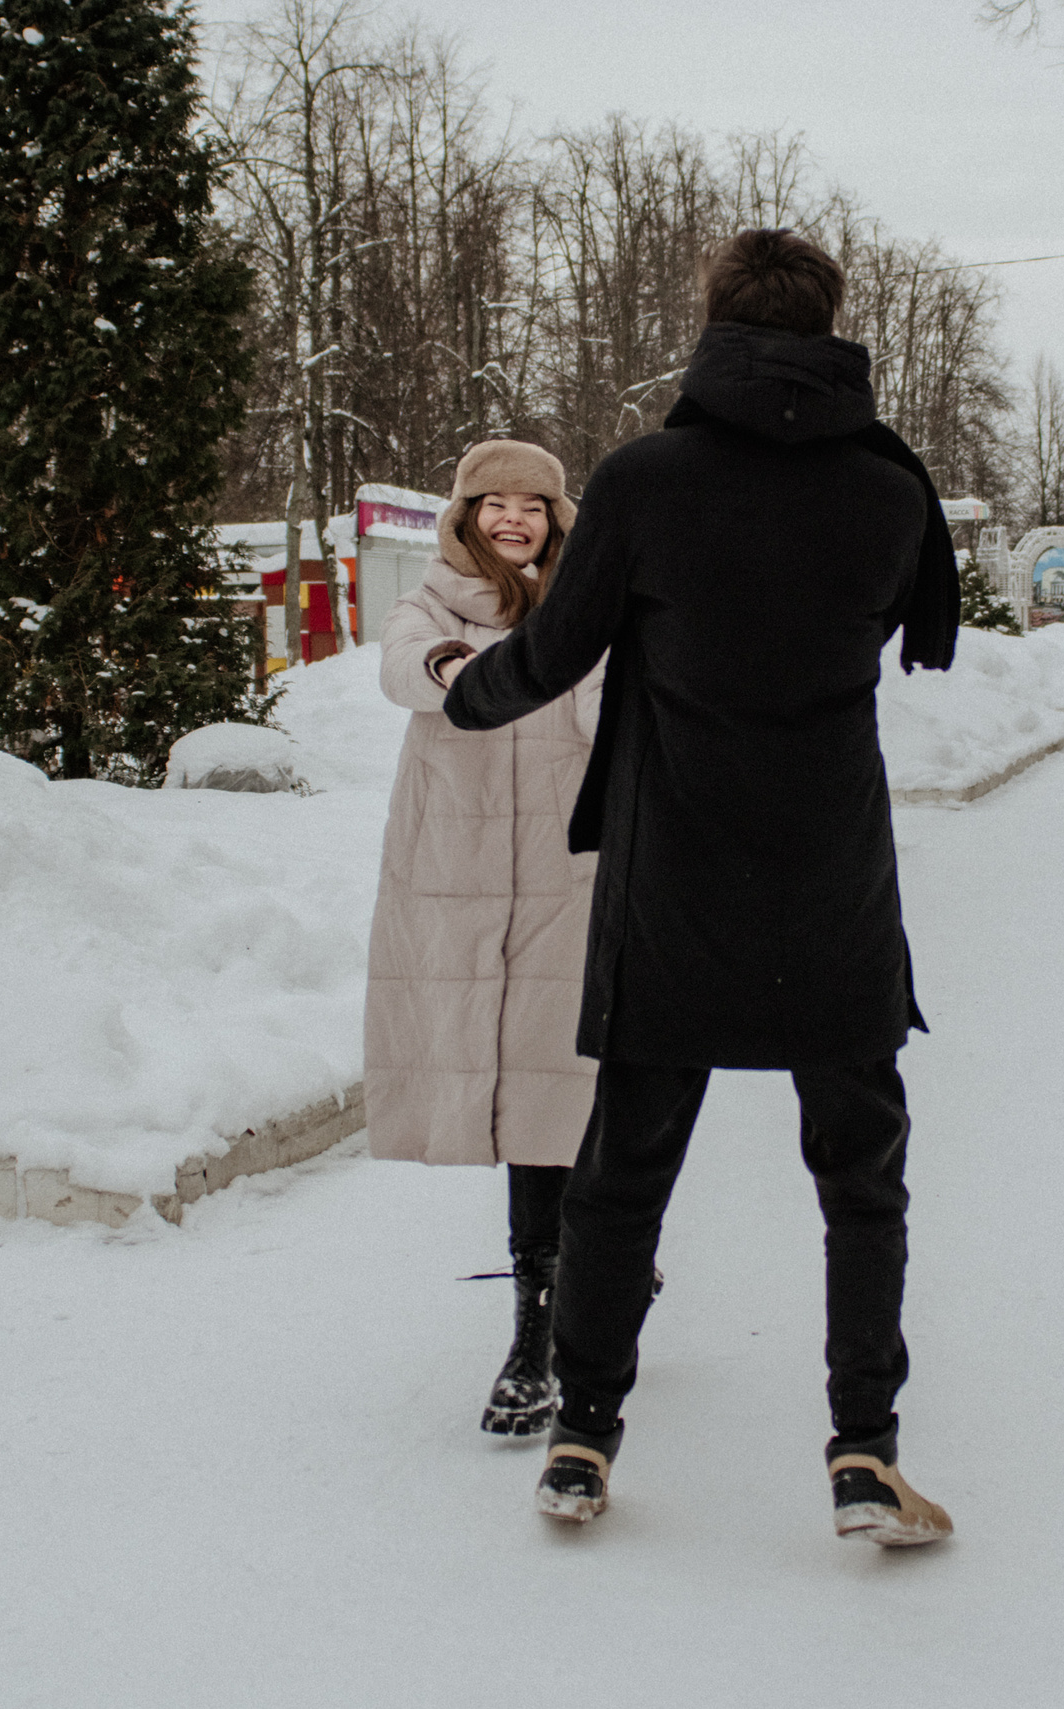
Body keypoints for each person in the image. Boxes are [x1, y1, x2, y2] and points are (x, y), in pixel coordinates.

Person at [439, 228, 960, 1548]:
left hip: (674, 876)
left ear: (715, 323)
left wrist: (464, 686)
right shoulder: (892, 492)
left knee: (622, 1174)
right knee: (863, 1178)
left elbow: (554, 651)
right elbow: (906, 629)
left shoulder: (646, 479)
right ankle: (863, 1450)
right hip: (833, 875)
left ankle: (582, 1437)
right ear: (833, 324)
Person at [363, 439, 604, 1438]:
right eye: (495, 504)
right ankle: (553, 1299)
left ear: (556, 518)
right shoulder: (433, 599)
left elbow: (608, 698)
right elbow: (405, 668)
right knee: (509, 1077)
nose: (515, 520)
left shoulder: (589, 604)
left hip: (564, 866)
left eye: (533, 506)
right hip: (460, 871)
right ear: (465, 517)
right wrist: (472, 668)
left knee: (562, 1073)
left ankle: (564, 1297)